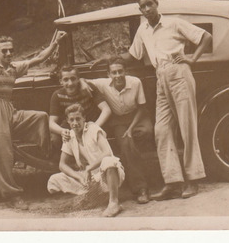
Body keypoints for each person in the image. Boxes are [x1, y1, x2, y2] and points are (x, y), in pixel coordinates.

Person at [94, 0, 213, 200]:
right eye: (143, 6)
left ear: (157, 4)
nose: (147, 9)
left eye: (150, 4)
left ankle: (193, 181)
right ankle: (173, 181)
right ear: (140, 10)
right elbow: (132, 55)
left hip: (179, 74)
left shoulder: (174, 23)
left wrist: (192, 59)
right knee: (161, 129)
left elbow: (206, 37)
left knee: (187, 127)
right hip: (161, 77)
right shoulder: (143, 30)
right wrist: (108, 59)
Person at [0, 32, 66, 209]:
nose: (9, 54)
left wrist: (55, 43)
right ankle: (12, 195)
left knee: (40, 117)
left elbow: (39, 58)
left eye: (11, 50)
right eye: (4, 51)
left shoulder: (13, 67)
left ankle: (47, 156)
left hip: (9, 109)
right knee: (4, 154)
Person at [84, 58, 153, 204]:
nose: (117, 75)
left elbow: (141, 108)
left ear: (125, 72)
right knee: (127, 143)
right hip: (118, 120)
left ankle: (130, 161)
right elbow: (84, 80)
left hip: (137, 116)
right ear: (108, 74)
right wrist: (83, 83)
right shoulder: (103, 84)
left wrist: (131, 128)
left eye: (120, 71)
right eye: (113, 72)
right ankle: (141, 188)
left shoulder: (135, 82)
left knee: (147, 132)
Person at [47, 103, 125, 217]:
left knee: (109, 161)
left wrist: (89, 168)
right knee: (54, 180)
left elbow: (107, 152)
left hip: (108, 174)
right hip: (90, 178)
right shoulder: (70, 136)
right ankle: (92, 195)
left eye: (78, 119)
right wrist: (79, 176)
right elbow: (62, 165)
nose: (75, 123)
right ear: (67, 121)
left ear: (84, 118)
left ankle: (113, 202)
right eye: (72, 120)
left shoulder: (93, 129)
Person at [49, 65, 111, 157]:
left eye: (73, 79)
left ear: (78, 79)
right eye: (66, 80)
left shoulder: (88, 88)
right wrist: (62, 131)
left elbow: (106, 110)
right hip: (71, 125)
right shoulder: (57, 95)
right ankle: (67, 164)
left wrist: (94, 127)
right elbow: (51, 123)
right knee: (55, 139)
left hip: (90, 122)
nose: (70, 83)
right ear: (61, 81)